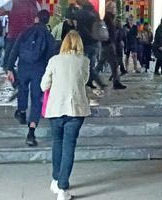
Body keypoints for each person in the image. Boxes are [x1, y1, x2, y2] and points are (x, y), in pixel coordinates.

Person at [41, 31, 91, 200]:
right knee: (69, 145)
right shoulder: (84, 61)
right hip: (75, 109)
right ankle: (63, 187)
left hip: (56, 108)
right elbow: (83, 81)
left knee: (57, 143)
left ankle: (56, 179)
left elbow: (43, 85)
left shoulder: (54, 61)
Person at [6, 9, 55, 145]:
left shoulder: (25, 32)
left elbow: (15, 49)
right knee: (36, 99)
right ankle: (31, 132)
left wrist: (10, 67)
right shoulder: (48, 35)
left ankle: (21, 111)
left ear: (36, 19)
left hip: (23, 67)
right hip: (39, 70)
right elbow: (51, 57)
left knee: (22, 89)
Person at [0, 0, 40, 69]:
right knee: (26, 61)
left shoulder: (13, 2)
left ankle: (11, 75)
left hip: (14, 34)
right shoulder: (34, 3)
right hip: (29, 35)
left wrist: (8, 13)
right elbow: (39, 16)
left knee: (9, 61)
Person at [71, 0, 103, 90]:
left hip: (85, 42)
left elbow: (78, 27)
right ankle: (89, 81)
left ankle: (95, 81)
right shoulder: (94, 12)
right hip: (95, 41)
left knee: (83, 63)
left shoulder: (80, 14)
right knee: (91, 64)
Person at [100, 2, 126, 90]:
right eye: (114, 7)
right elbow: (109, 33)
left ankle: (91, 77)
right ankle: (116, 83)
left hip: (108, 45)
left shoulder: (110, 18)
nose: (116, 9)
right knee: (113, 64)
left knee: (102, 64)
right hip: (108, 45)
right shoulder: (108, 18)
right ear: (110, 8)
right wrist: (112, 43)